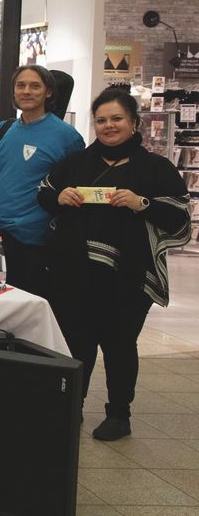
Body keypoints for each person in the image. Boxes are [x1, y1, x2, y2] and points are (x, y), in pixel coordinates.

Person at [38, 89, 192, 441]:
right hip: (75, 271)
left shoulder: (154, 168)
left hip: (129, 274)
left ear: (134, 122)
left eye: (116, 119)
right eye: (102, 120)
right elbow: (44, 191)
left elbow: (180, 216)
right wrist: (58, 196)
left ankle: (119, 414)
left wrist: (143, 204)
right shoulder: (78, 162)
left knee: (120, 343)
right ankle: (71, 408)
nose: (108, 126)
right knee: (78, 342)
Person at [0, 65, 84, 297]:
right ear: (13, 92)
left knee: (31, 313)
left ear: (48, 92)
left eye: (35, 86)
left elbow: (73, 188)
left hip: (37, 243)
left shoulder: (68, 137)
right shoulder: (5, 128)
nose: (26, 91)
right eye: (21, 85)